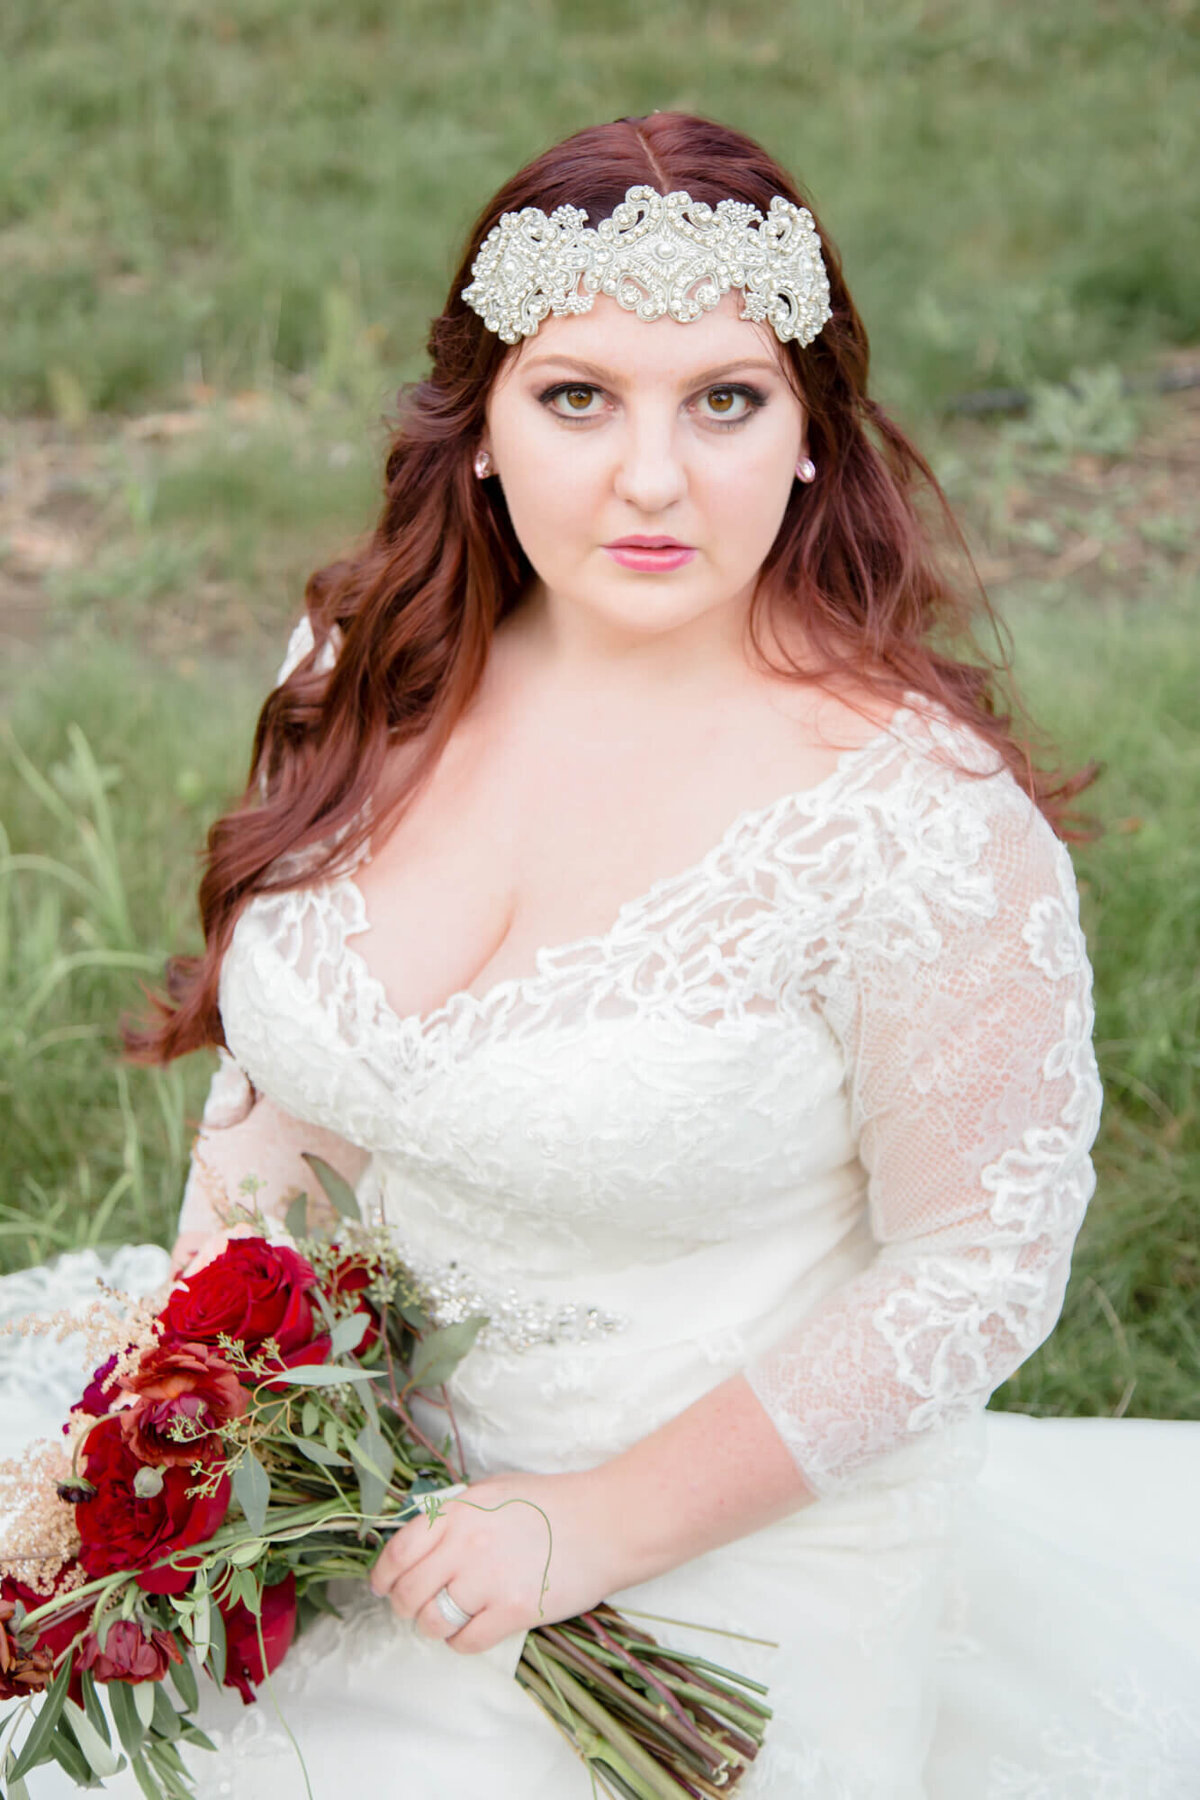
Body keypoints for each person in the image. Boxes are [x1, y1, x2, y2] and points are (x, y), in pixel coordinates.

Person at [2, 112, 1198, 1799]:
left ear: (809, 437)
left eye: (725, 398)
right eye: (578, 398)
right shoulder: (373, 662)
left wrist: (588, 1527)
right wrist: (200, 1418)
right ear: (480, 428)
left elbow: (977, 1263)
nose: (654, 478)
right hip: (345, 1484)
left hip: (717, 1563)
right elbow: (290, 1100)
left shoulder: (911, 822)